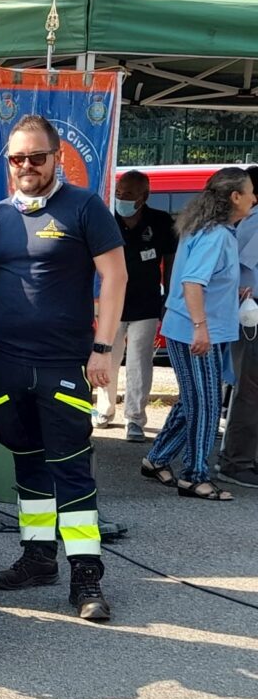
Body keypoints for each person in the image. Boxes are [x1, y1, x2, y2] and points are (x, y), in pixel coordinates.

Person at [0, 114, 126, 622]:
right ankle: (39, 557)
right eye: (16, 158)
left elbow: (115, 275)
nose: (26, 166)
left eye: (36, 157)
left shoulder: (85, 207)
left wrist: (103, 348)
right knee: (27, 460)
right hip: (8, 364)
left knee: (72, 467)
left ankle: (86, 572)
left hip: (64, 361)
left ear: (56, 157)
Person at [141, 166, 254, 501]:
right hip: (197, 333)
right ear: (235, 197)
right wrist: (200, 327)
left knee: (193, 401)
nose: (254, 198)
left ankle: (157, 459)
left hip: (193, 328)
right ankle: (194, 475)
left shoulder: (209, 230)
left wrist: (229, 296)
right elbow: (192, 283)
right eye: (250, 192)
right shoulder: (217, 235)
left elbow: (201, 281)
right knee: (204, 405)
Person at [92, 169, 178, 442]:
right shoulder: (106, 217)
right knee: (108, 358)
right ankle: (104, 411)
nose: (122, 198)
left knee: (140, 362)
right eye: (119, 193)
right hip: (111, 304)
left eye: (128, 194)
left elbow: (170, 260)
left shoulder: (161, 221)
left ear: (144, 196)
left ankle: (135, 419)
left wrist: (169, 298)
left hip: (147, 303)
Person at [216, 165, 258, 488]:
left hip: (249, 312)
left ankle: (244, 458)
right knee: (249, 389)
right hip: (252, 315)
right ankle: (236, 461)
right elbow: (244, 266)